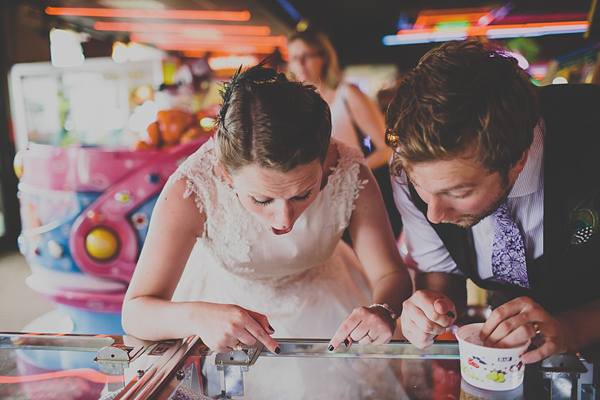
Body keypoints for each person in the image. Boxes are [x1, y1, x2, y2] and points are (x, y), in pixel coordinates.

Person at [122, 62, 412, 357]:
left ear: (323, 159)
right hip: (219, 309)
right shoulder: (191, 188)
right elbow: (134, 312)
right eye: (262, 200)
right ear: (225, 174)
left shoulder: (350, 171)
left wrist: (384, 308)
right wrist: (198, 316)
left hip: (329, 309)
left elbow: (390, 273)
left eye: (303, 194)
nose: (284, 220)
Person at [386, 39, 600, 364]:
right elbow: (443, 273)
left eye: (458, 193)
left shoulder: (590, 142)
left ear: (517, 159)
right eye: (422, 188)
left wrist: (571, 328)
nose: (435, 213)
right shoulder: (410, 166)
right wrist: (433, 308)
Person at [287, 30, 403, 239]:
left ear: (324, 57)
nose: (300, 64)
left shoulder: (347, 93)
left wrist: (349, 172)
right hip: (316, 200)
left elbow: (386, 147)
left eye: (307, 56)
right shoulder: (297, 102)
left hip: (354, 194)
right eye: (295, 58)